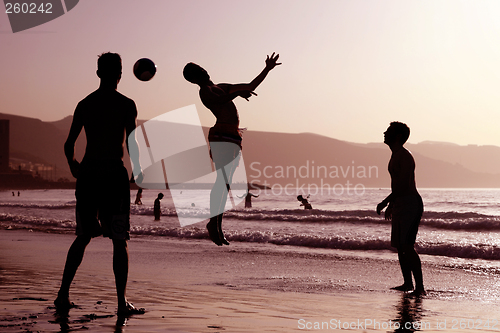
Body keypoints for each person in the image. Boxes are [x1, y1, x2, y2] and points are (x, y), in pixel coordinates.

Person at [54, 52, 144, 315]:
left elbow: (69, 144)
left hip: (89, 173)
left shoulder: (85, 104)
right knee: (119, 239)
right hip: (113, 175)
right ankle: (120, 303)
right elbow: (132, 142)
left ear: (97, 74)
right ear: (120, 75)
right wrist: (136, 171)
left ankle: (62, 295)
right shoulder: (127, 104)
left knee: (83, 236)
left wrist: (73, 166)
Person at [183, 53, 281, 246]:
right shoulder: (205, 91)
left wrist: (267, 69)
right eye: (197, 72)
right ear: (194, 79)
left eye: (200, 68)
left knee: (225, 183)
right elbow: (220, 102)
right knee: (222, 180)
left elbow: (250, 87)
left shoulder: (221, 86)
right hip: (221, 134)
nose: (202, 71)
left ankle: (216, 225)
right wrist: (237, 94)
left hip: (233, 136)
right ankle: (214, 225)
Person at [376, 122, 425, 296]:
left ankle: (420, 287)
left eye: (388, 131)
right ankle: (407, 283)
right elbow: (397, 184)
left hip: (411, 204)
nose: (384, 133)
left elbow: (404, 185)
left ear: (397, 136)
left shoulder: (404, 156)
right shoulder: (395, 155)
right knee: (400, 246)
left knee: (407, 245)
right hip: (400, 204)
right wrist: (392, 204)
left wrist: (385, 201)